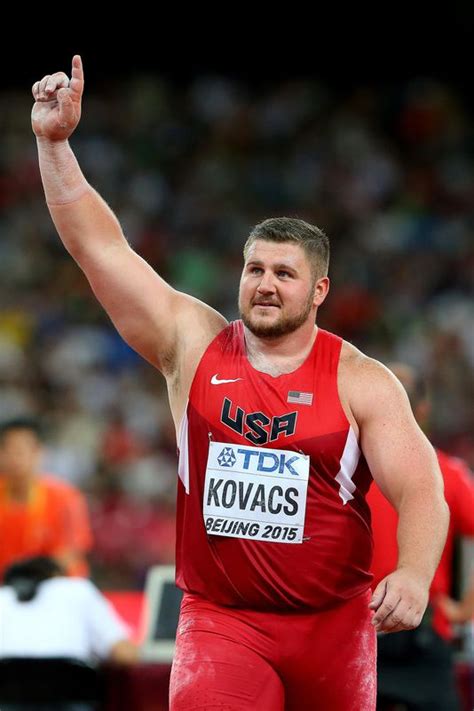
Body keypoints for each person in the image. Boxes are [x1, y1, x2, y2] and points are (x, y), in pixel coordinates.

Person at [30, 56, 449, 711]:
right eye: (255, 268)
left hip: (333, 627)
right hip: (222, 619)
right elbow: (102, 250)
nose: (265, 282)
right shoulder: (191, 342)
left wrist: (417, 572)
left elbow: (422, 486)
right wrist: (54, 145)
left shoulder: (359, 379)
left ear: (319, 290)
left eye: (284, 272)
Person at [368, 362, 474, 711]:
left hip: (363, 632)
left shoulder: (341, 470)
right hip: (419, 632)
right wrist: (463, 610)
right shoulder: (448, 473)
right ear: (424, 410)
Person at [0, 556, 138, 665]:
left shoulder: (3, 597)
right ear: (56, 575)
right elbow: (125, 654)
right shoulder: (77, 590)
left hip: (7, 699)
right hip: (71, 697)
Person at [0, 417, 93, 579]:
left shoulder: (65, 497)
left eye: (20, 450)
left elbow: (72, 552)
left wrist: (33, 577)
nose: (14, 458)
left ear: (39, 453)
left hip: (53, 587)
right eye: (7, 450)